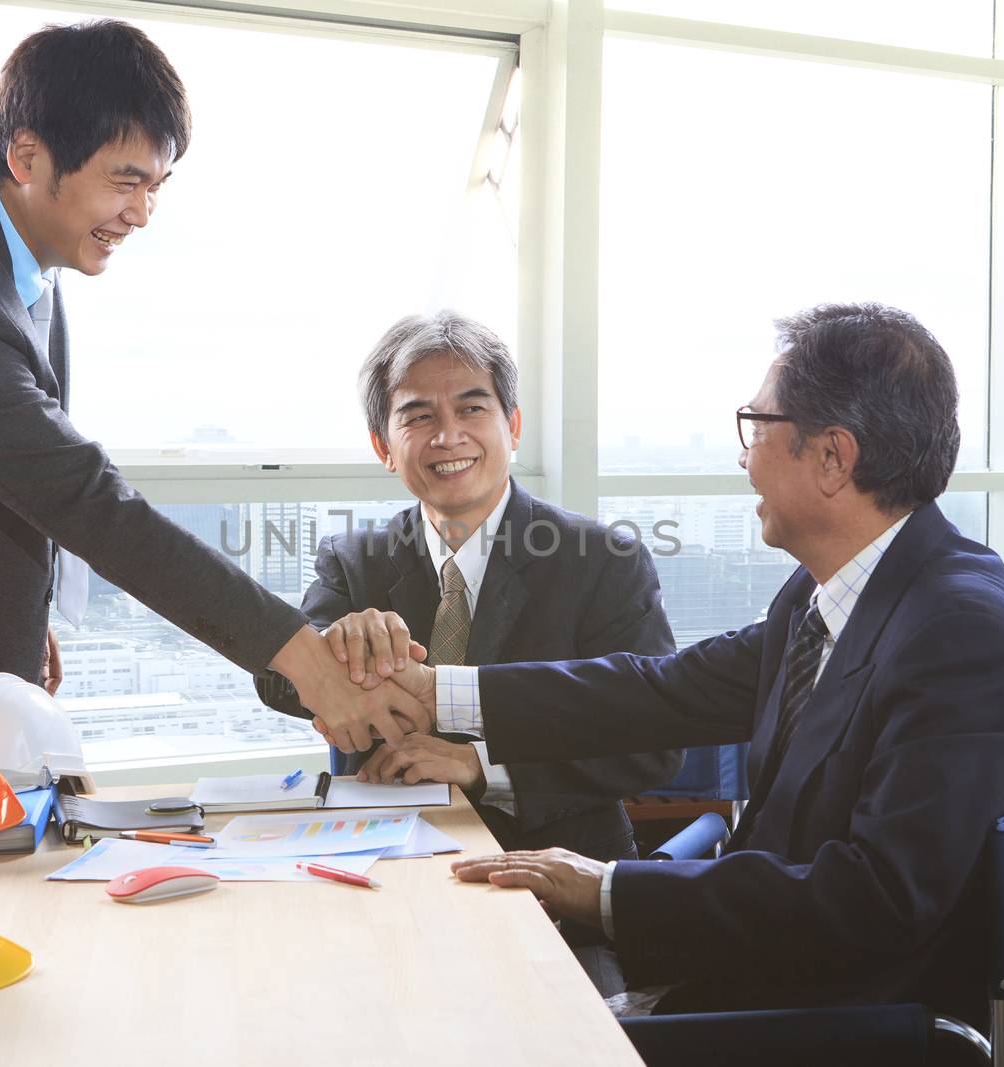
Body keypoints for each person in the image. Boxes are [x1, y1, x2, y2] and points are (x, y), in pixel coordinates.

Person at [334, 303, 1004, 1028]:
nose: (743, 455)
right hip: (744, 978)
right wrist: (436, 692)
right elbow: (661, 690)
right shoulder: (834, 594)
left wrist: (605, 889)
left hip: (820, 1026)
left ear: (831, 456)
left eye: (756, 427)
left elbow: (875, 900)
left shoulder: (965, 637)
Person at [0, 19, 422, 744]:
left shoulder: (10, 247)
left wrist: (20, 608)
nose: (141, 213)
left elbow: (10, 467)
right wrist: (303, 656)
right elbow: (87, 501)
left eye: (156, 186)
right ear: (27, 156)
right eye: (125, 182)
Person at [255, 310, 683, 994]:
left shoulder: (602, 561)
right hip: (386, 887)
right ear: (383, 446)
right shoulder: (356, 558)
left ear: (512, 426)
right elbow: (277, 682)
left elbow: (653, 745)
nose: (447, 435)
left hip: (555, 899)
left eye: (472, 407)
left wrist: (482, 767)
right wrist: (336, 642)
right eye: (417, 415)